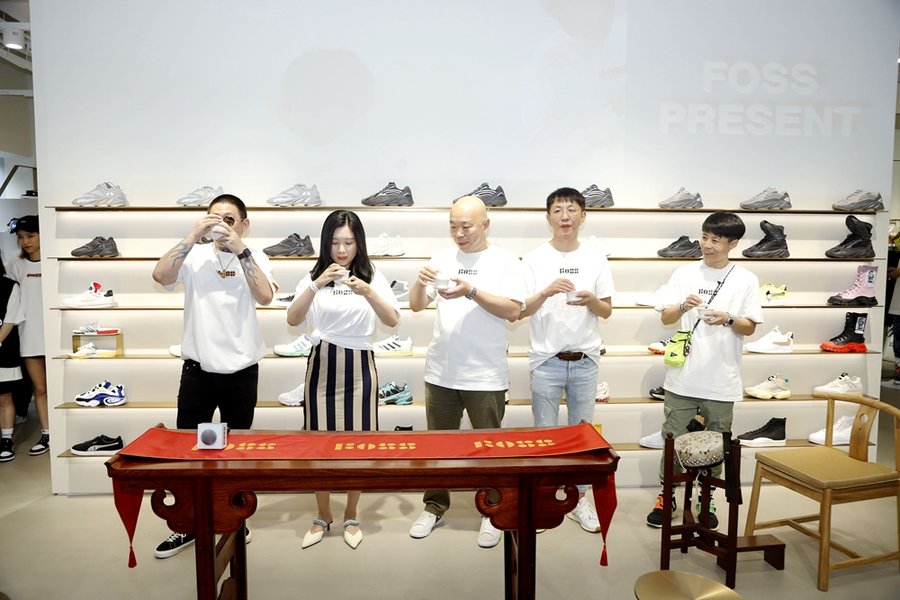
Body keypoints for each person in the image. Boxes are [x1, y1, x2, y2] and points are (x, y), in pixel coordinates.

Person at [150, 194, 274, 557]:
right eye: (213, 218)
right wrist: (193, 235)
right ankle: (187, 524)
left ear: (244, 225)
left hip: (242, 370)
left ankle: (234, 518)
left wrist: (241, 251)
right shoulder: (194, 254)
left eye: (229, 219)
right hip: (198, 370)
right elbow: (160, 275)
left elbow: (265, 296)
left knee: (236, 451)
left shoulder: (255, 255)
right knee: (190, 449)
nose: (221, 225)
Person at [407, 195, 526, 548]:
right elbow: (416, 305)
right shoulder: (441, 258)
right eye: (453, 226)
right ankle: (434, 505)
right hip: (441, 371)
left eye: (466, 226)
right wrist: (419, 282)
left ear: (485, 224)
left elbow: (513, 311)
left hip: (485, 373)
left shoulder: (505, 261)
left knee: (489, 448)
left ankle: (493, 509)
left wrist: (471, 291)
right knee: (437, 447)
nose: (459, 234)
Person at [286, 209, 400, 550]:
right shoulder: (313, 276)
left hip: (360, 365)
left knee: (359, 443)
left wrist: (368, 291)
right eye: (335, 242)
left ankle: (351, 513)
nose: (341, 250)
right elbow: (293, 318)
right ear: (326, 243)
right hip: (322, 364)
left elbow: (392, 320)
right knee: (317, 443)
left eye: (348, 242)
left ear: (358, 243)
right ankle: (323, 514)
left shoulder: (373, 275)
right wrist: (316, 284)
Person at [645, 212, 762, 530]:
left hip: (722, 380)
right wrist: (683, 306)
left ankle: (707, 497)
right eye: (705, 237)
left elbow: (749, 327)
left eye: (716, 240)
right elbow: (666, 318)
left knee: (716, 445)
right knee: (672, 440)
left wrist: (727, 318)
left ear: (733, 244)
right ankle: (667, 494)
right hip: (682, 379)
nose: (707, 245)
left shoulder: (746, 279)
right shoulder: (683, 273)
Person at [518, 187, 614, 533]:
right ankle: (545, 500)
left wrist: (591, 301)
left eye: (571, 210)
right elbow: (520, 311)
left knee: (582, 436)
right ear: (548, 217)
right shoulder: (533, 259)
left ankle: (579, 500)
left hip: (586, 359)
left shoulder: (596, 258)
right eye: (558, 210)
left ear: (583, 216)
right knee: (544, 435)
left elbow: (606, 310)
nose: (565, 216)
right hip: (546, 360)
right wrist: (546, 292)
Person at [8, 216, 49, 455]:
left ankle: (66, 431)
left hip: (55, 335)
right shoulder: (16, 265)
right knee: (39, 389)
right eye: (21, 237)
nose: (25, 241)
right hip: (28, 335)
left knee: (61, 388)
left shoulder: (52, 262)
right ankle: (47, 434)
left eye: (30, 236)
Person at [0, 248, 25, 463]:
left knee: (4, 398)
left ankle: (7, 440)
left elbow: (10, 319)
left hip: (4, 351)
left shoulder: (9, 286)